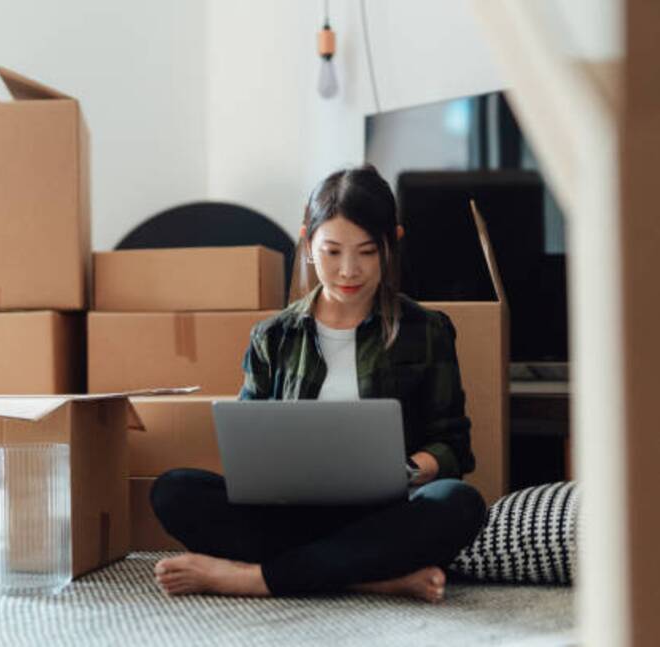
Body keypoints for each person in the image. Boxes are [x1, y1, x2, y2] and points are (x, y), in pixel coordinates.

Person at [150, 165, 486, 603]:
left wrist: (405, 469)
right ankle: (372, 578)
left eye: (367, 252)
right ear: (307, 242)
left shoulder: (428, 330)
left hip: (381, 515)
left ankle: (253, 579)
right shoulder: (272, 336)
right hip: (289, 516)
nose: (349, 271)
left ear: (392, 244)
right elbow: (247, 444)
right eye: (332, 252)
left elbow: (454, 446)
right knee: (173, 491)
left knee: (459, 503)